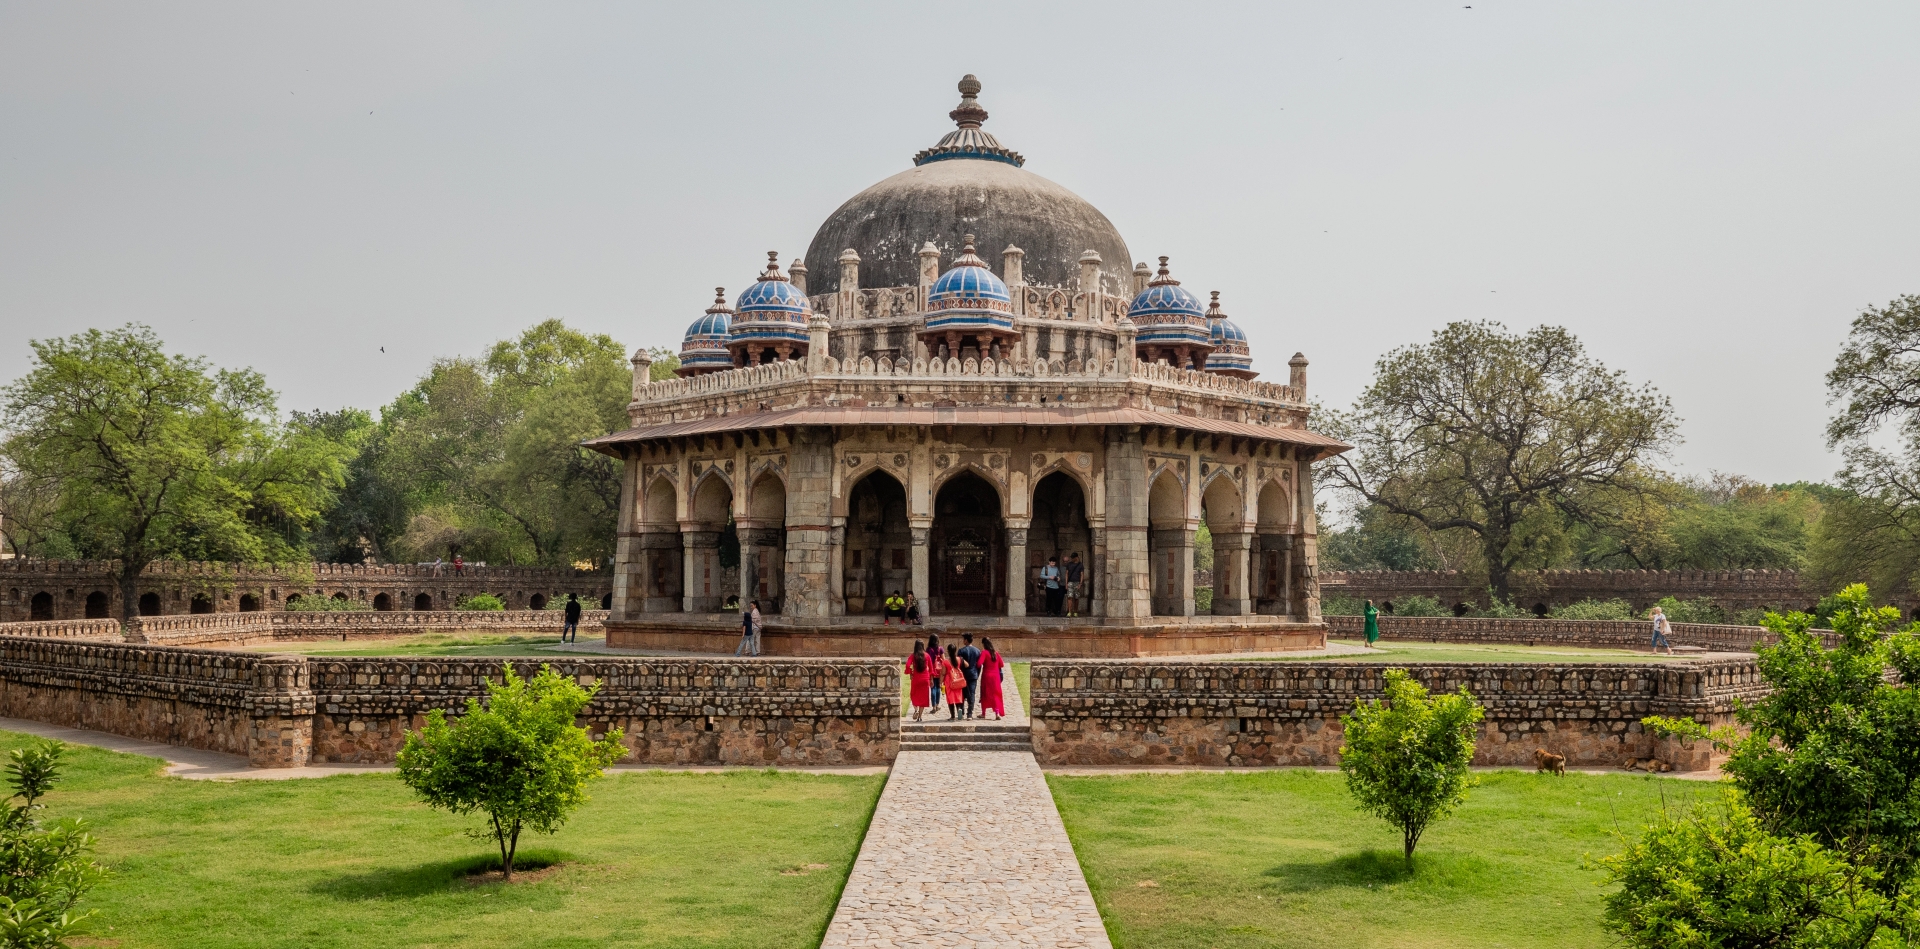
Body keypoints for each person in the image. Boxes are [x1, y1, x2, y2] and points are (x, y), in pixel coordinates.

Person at [978, 637, 1007, 720]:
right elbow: (1001, 664)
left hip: (987, 675)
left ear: (984, 644)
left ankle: (983, 713)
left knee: (985, 693)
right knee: (995, 694)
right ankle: (997, 713)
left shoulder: (984, 652)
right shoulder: (996, 653)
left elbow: (979, 663)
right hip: (996, 676)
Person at [958, 633, 983, 719]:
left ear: (966, 640)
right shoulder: (977, 651)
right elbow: (979, 665)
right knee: (971, 694)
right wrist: (977, 674)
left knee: (962, 694)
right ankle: (970, 713)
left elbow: (959, 664)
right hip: (973, 675)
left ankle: (961, 711)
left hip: (963, 675)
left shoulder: (961, 651)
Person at [905, 640, 931, 722]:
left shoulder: (913, 656)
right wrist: (931, 678)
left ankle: (915, 709)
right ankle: (920, 717)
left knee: (913, 695)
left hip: (916, 678)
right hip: (925, 679)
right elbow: (931, 668)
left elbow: (907, 665)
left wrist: (910, 673)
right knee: (923, 698)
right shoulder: (927, 655)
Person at [942, 644, 967, 720]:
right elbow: (967, 665)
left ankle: (952, 716)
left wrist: (940, 682)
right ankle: (959, 709)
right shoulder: (959, 659)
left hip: (949, 681)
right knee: (958, 697)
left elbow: (943, 673)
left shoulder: (945, 661)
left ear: (948, 651)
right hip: (958, 680)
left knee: (950, 699)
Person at [925, 632, 944, 714]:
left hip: (931, 670)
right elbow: (944, 660)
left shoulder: (929, 650)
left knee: (933, 688)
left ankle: (934, 707)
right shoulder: (940, 649)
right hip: (939, 671)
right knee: (938, 688)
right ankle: (937, 704)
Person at [1065, 553, 1084, 617]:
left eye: (1073, 558)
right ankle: (1070, 611)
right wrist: (1066, 583)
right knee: (1069, 597)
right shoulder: (1069, 564)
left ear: (1076, 557)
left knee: (1076, 597)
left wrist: (1080, 583)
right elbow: (1067, 574)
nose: (1072, 559)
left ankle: (1075, 611)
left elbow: (1082, 574)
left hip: (1077, 582)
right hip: (1070, 582)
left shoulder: (1080, 565)